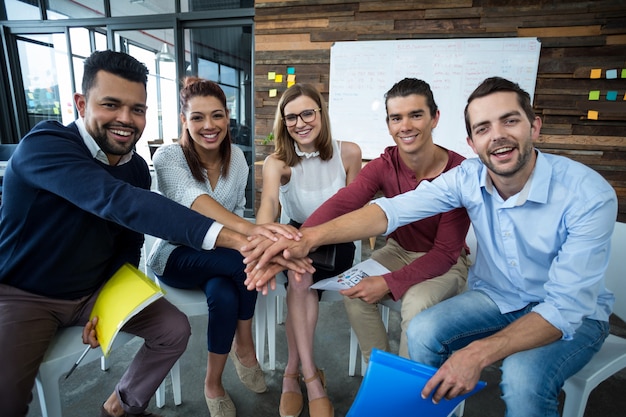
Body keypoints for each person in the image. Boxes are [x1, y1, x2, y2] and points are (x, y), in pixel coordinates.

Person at [243, 76, 618, 417]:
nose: (498, 136)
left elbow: (564, 306)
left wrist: (477, 352)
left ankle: (404, 397)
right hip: (498, 297)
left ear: (534, 125)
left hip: (568, 313)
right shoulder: (466, 177)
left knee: (518, 373)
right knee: (418, 326)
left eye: (511, 121)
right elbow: (385, 210)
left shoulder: (587, 194)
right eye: (484, 128)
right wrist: (301, 239)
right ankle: (395, 388)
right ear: (472, 141)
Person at [0, 50, 309, 417]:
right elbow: (121, 202)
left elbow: (128, 241)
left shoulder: (135, 168)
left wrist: (112, 297)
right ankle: (240, 352)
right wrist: (250, 239)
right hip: (24, 294)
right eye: (111, 105)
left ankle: (120, 407)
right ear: (81, 103)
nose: (125, 119)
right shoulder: (46, 145)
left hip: (94, 291)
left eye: (137, 109)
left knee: (174, 329)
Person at [146, 77, 297, 417]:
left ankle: (212, 382)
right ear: (184, 120)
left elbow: (234, 213)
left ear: (227, 117)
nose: (208, 125)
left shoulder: (239, 160)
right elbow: (195, 202)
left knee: (225, 294)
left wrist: (253, 234)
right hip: (175, 255)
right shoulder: (169, 156)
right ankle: (245, 345)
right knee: (245, 263)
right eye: (197, 117)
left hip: (219, 255)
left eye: (216, 116)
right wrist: (256, 235)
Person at [303, 78, 470, 362]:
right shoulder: (385, 164)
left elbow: (444, 253)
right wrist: (301, 238)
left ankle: (404, 390)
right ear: (389, 123)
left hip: (447, 262)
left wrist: (389, 283)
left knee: (415, 305)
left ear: (435, 118)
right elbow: (345, 201)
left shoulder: (460, 172)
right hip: (398, 251)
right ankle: (378, 371)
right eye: (396, 118)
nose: (405, 126)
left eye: (416, 115)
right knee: (352, 288)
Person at [255, 83, 361, 417]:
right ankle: (309, 377)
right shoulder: (277, 162)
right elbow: (269, 203)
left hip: (337, 240)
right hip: (295, 238)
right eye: (290, 117)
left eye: (307, 113)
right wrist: (262, 236)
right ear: (282, 122)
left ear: (320, 113)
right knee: (300, 277)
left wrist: (305, 241)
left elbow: (357, 211)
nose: (300, 123)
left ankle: (292, 374)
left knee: (298, 273)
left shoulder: (350, 153)